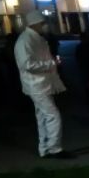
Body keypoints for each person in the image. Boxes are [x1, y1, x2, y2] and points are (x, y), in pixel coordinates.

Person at [14, 10, 71, 159]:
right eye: (43, 23)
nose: (45, 26)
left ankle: (45, 149)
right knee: (53, 116)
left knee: (43, 117)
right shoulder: (25, 41)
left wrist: (51, 63)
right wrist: (51, 63)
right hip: (36, 85)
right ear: (35, 24)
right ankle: (55, 149)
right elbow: (27, 64)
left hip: (41, 84)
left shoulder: (34, 38)